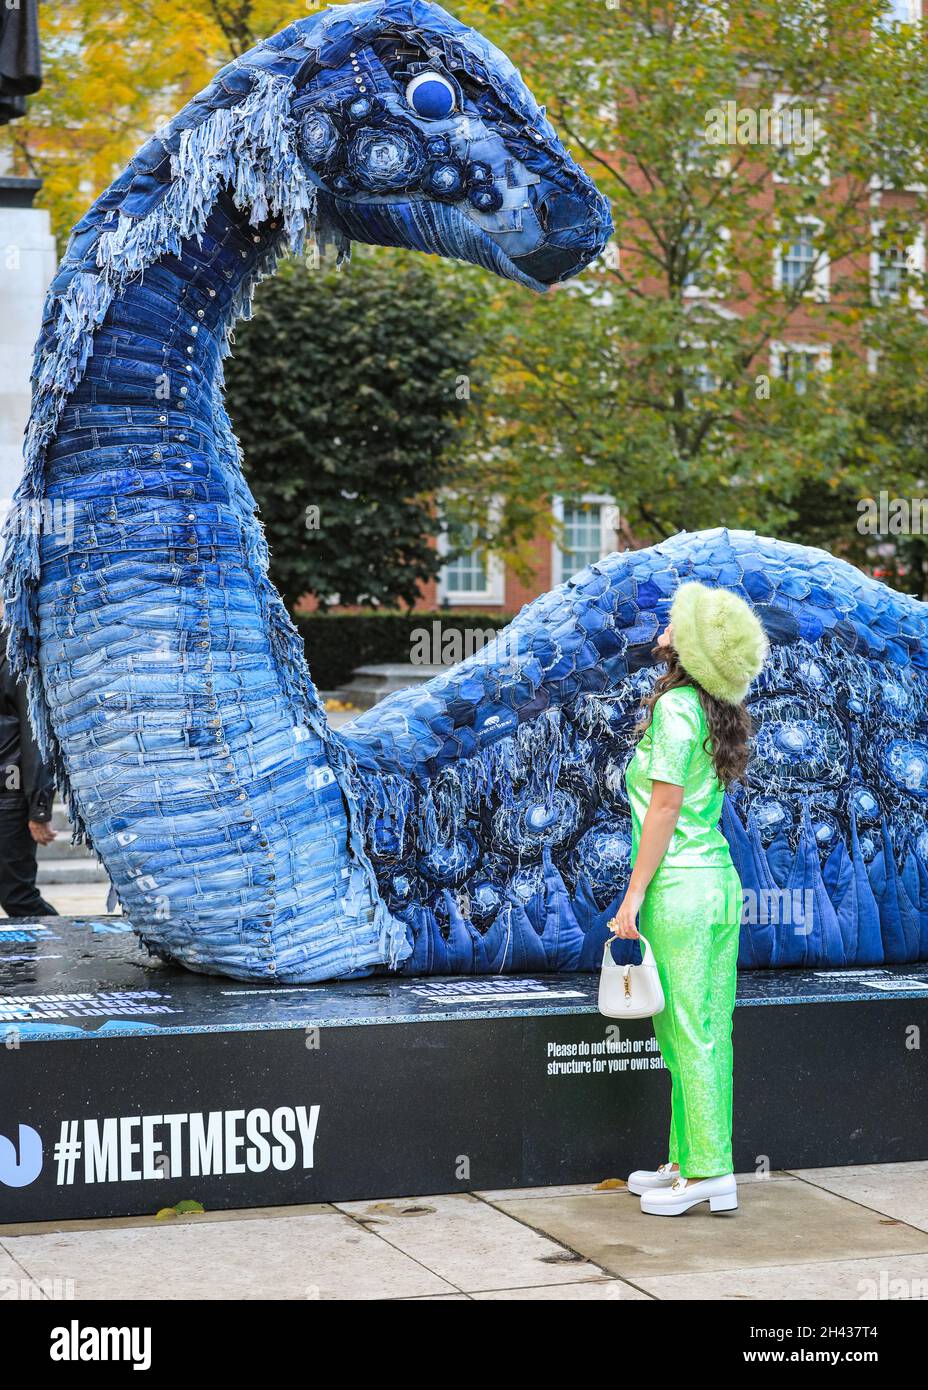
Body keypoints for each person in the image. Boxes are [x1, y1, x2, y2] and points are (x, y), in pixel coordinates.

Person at [610, 581, 768, 1217]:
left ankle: (708, 1172)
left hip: (679, 887)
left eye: (676, 622)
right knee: (704, 1028)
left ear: (692, 646)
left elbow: (665, 807)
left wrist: (633, 895)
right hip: (716, 884)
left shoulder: (677, 710)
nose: (665, 626)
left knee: (687, 1032)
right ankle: (691, 1157)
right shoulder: (707, 707)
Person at [0, 618, 58, 916]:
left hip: (8, 795)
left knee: (17, 897)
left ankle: (72, 947)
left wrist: (39, 807)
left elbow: (35, 736)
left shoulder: (17, 654)